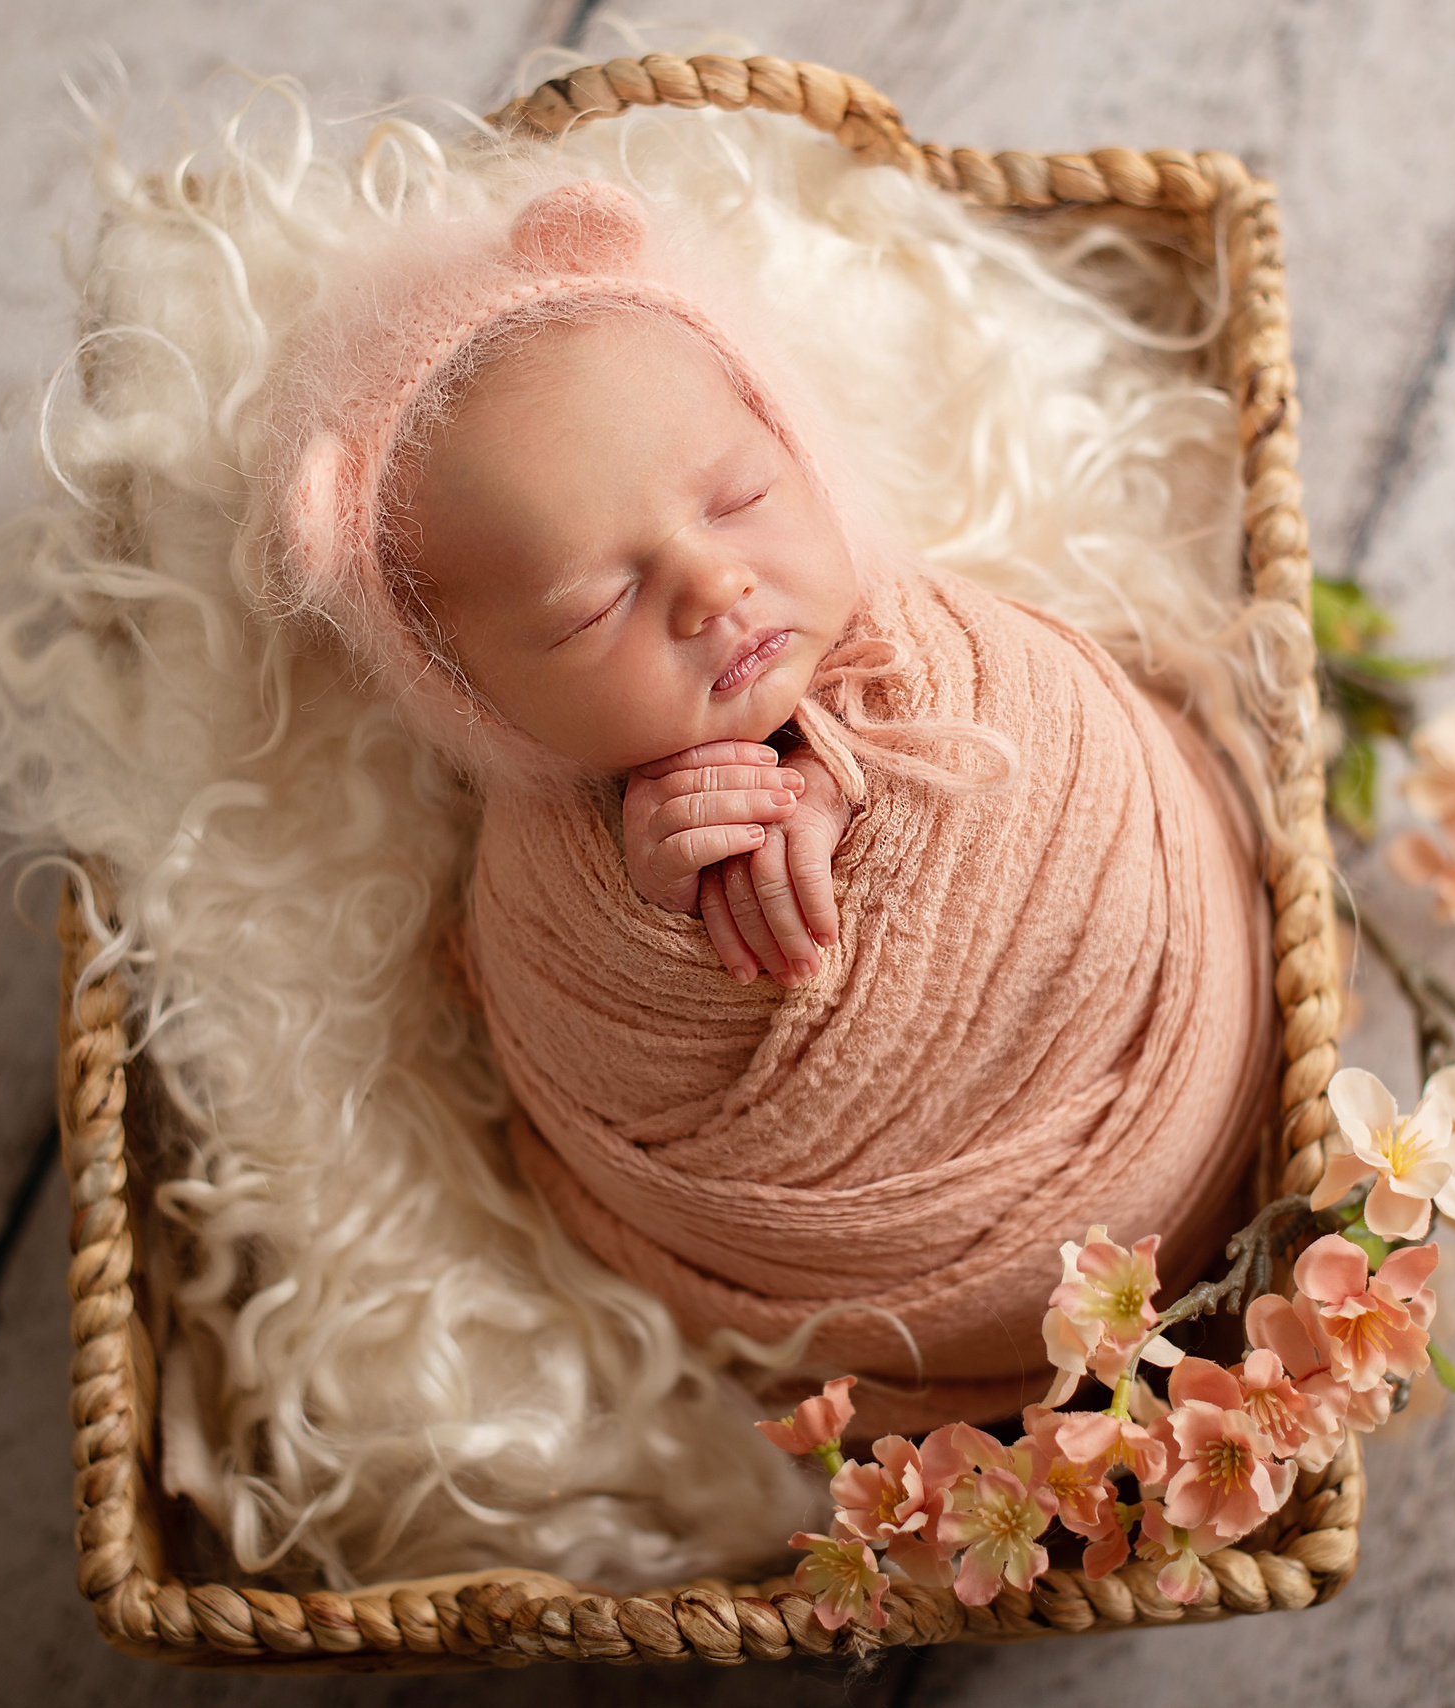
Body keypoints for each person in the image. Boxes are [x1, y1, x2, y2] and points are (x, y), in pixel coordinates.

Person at [275, 178, 1274, 1433]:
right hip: (904, 1296)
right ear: (477, 697)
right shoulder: (542, 882)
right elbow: (580, 1040)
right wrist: (655, 912)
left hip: (1172, 1081)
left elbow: (1069, 767)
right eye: (596, 608)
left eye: (739, 496)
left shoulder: (959, 658)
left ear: (797, 448)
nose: (713, 582)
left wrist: (862, 798)